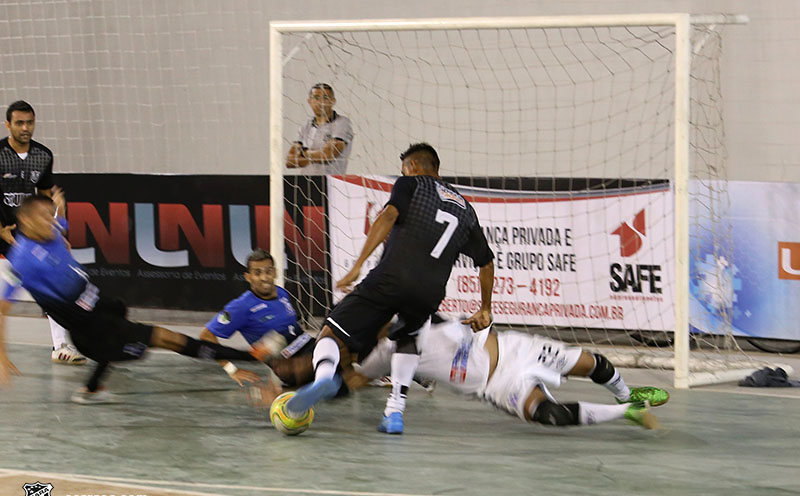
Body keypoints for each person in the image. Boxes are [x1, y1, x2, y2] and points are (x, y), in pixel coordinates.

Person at [281, 143, 495, 434]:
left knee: (331, 330)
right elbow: (486, 262)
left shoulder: (411, 184)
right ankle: (394, 412)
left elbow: (388, 215)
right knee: (408, 339)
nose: (402, 172)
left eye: (404, 168)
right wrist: (485, 308)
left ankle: (324, 377)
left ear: (416, 167)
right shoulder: (465, 208)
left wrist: (358, 265)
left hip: (392, 278)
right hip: (430, 292)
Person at [0, 192, 266, 402]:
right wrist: (1, 355)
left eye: (51, 215)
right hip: (92, 331)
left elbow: (60, 225)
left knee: (119, 308)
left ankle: (92, 389)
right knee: (168, 339)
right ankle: (251, 357)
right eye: (43, 217)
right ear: (25, 222)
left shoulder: (52, 230)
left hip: (100, 306)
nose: (51, 221)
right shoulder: (20, 259)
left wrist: (59, 210)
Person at [352, 316, 669, 430]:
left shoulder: (413, 312)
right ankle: (629, 411)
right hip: (498, 385)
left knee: (593, 364)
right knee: (550, 416)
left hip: (514, 349)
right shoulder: (380, 355)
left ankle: (628, 393)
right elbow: (354, 380)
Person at [1, 100, 85, 365]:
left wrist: (58, 231)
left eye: (30, 122)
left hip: (28, 235)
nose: (26, 128)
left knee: (50, 286)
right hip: (1, 230)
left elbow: (45, 198)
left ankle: (61, 346)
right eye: (20, 123)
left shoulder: (43, 155)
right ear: (8, 125)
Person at [200, 248, 317, 392]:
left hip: (311, 348)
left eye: (268, 271)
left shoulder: (281, 292)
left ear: (275, 272)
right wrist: (232, 369)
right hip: (292, 366)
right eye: (257, 273)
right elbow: (206, 335)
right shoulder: (240, 307)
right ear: (248, 277)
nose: (264, 277)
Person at [285, 83, 354, 175]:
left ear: (333, 101)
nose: (321, 102)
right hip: (305, 184)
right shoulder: (306, 127)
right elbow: (290, 162)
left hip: (332, 183)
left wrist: (303, 153)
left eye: (325, 98)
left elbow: (329, 154)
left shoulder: (342, 123)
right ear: (310, 101)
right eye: (317, 98)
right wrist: (316, 155)